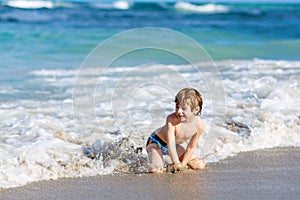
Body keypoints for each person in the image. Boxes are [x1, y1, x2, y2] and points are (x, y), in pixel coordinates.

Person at [146, 88, 205, 173]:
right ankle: (157, 159)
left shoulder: (199, 125)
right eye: (177, 107)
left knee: (198, 165)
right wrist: (176, 162)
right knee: (156, 170)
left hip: (175, 146)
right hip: (156, 142)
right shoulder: (172, 119)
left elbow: (191, 147)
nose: (179, 111)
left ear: (196, 109)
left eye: (184, 108)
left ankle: (168, 164)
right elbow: (171, 143)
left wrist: (183, 165)